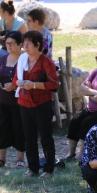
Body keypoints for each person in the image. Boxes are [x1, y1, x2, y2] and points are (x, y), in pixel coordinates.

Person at [12, 30, 60, 179]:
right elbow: (14, 81)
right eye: (23, 44)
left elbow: (54, 85)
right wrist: (19, 83)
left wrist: (34, 85)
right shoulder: (22, 60)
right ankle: (33, 168)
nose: (25, 47)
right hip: (24, 104)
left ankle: (49, 169)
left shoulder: (46, 62)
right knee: (29, 138)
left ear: (38, 45)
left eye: (28, 44)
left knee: (46, 138)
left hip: (42, 104)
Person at [0, 31, 26, 168]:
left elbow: (29, 78)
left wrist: (14, 85)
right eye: (7, 43)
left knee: (19, 128)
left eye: (12, 43)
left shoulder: (25, 59)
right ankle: (1, 159)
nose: (8, 46)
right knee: (2, 128)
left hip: (19, 101)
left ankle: (20, 159)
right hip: (3, 100)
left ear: (20, 44)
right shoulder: (4, 59)